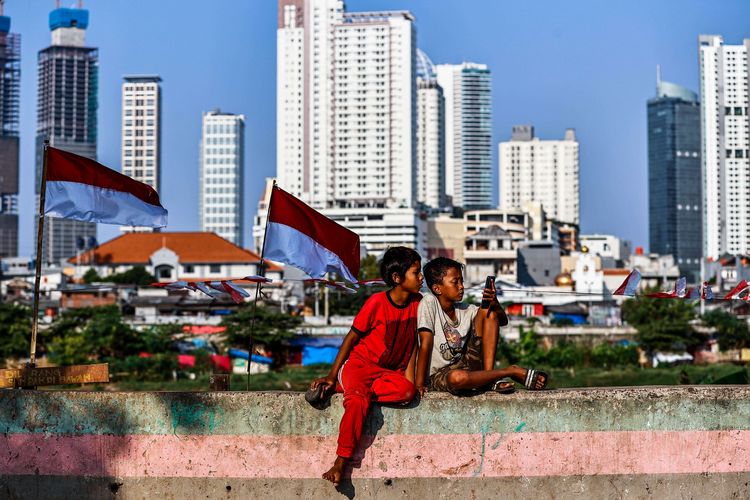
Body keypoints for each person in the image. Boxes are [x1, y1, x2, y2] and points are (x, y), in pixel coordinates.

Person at [308, 246, 423, 486]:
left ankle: (345, 387)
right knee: (358, 400)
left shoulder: (420, 305)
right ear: (397, 278)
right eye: (416, 272)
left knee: (407, 392)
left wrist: (414, 380)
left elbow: (415, 347)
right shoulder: (376, 303)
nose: (421, 277)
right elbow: (351, 338)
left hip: (386, 375)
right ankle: (341, 462)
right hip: (359, 366)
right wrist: (331, 374)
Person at [415, 257, 548, 396]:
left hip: (466, 365)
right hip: (439, 375)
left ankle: (488, 378)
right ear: (437, 288)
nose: (461, 286)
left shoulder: (465, 309)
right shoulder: (429, 302)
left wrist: (494, 303)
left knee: (489, 313)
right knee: (457, 378)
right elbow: (425, 344)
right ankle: (509, 371)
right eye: (455, 282)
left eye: (461, 281)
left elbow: (501, 321)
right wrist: (419, 384)